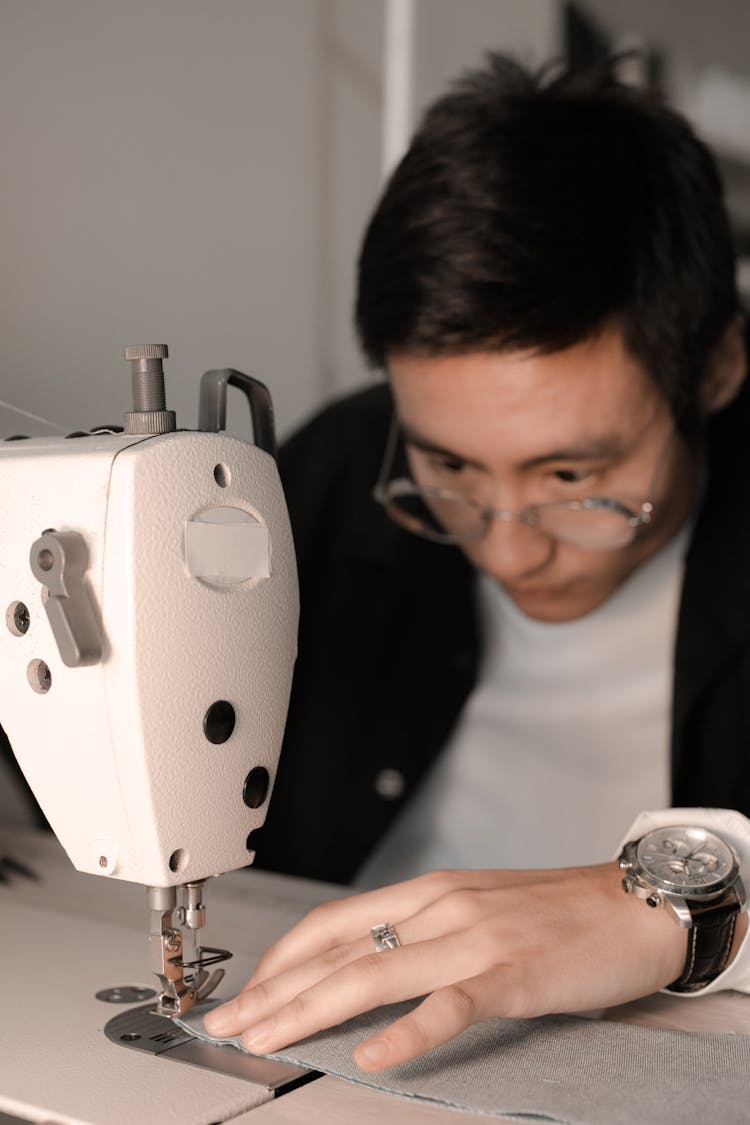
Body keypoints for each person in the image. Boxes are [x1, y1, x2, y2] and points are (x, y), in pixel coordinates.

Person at [203, 52, 750, 1069]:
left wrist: (678, 911)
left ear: (716, 366)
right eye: (448, 466)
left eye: (573, 477)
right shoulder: (334, 470)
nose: (504, 547)